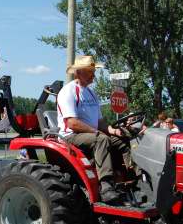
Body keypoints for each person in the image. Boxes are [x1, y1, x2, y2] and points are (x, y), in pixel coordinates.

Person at [57, 56, 134, 204]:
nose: (93, 75)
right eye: (90, 71)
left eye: (93, 71)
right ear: (78, 72)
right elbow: (72, 123)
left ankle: (132, 179)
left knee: (123, 140)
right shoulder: (68, 92)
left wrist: (114, 131)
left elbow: (100, 122)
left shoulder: (91, 93)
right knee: (101, 139)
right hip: (71, 135)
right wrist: (95, 132)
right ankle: (106, 186)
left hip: (90, 134)